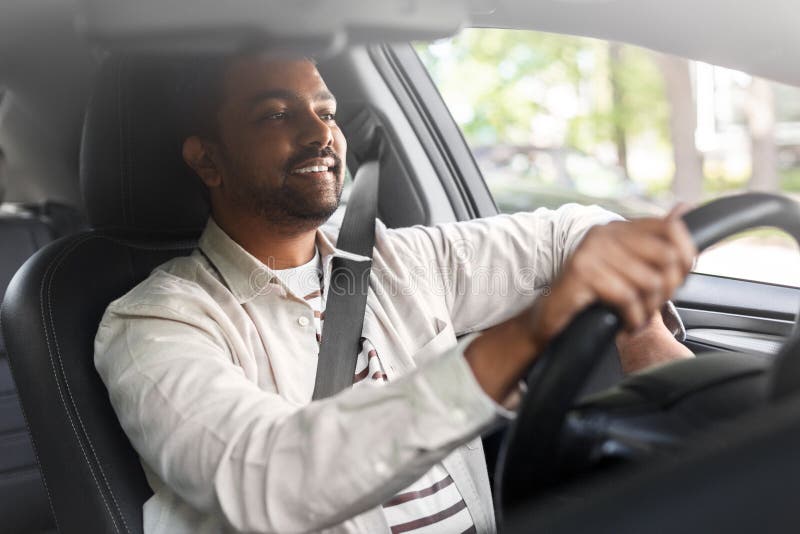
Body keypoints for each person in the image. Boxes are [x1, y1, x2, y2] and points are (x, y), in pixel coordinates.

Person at [94, 52, 695, 534]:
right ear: (207, 160)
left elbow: (572, 230)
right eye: (276, 114)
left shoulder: (397, 260)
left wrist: (642, 337)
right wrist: (525, 335)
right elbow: (269, 480)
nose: (319, 133)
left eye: (326, 112)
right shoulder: (155, 324)